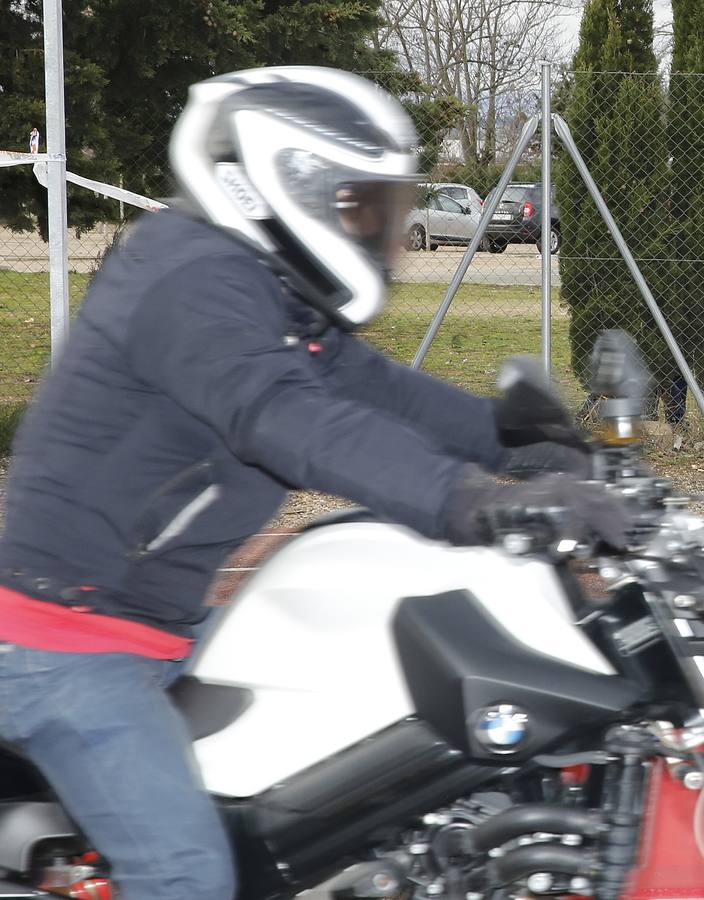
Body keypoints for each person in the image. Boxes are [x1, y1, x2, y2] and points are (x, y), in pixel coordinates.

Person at [0, 67, 629, 900]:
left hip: (154, 625)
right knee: (185, 873)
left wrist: (530, 444)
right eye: (362, 207)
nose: (386, 237)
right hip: (61, 642)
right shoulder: (192, 283)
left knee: (371, 741)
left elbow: (376, 391)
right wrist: (478, 501)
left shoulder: (264, 291)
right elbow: (289, 418)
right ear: (269, 185)